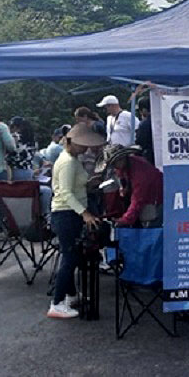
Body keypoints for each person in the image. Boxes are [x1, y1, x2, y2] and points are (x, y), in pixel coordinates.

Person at [48, 123, 105, 319]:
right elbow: (65, 192)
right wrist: (85, 213)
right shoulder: (67, 162)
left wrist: (89, 183)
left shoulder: (72, 159)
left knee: (71, 254)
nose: (85, 149)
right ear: (71, 143)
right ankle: (56, 303)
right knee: (70, 257)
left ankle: (71, 295)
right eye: (82, 145)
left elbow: (73, 185)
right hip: (66, 213)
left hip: (69, 212)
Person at [6, 116, 37, 181]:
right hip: (29, 171)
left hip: (16, 171)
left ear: (14, 127)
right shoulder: (32, 140)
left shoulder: (14, 138)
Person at [134, 98, 154, 166]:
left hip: (150, 157)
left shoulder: (144, 124)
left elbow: (140, 142)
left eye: (140, 110)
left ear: (144, 110)